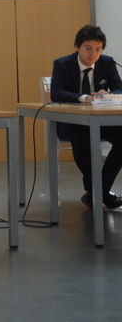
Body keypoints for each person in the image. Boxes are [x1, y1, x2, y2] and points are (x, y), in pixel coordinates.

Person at [50, 24, 122, 209]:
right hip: (71, 123)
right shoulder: (62, 64)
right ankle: (102, 194)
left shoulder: (107, 63)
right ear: (77, 47)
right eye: (88, 49)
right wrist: (83, 98)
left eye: (98, 49)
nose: (93, 54)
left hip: (100, 121)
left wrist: (109, 94)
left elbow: (119, 89)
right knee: (80, 134)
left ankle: (98, 191)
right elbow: (56, 93)